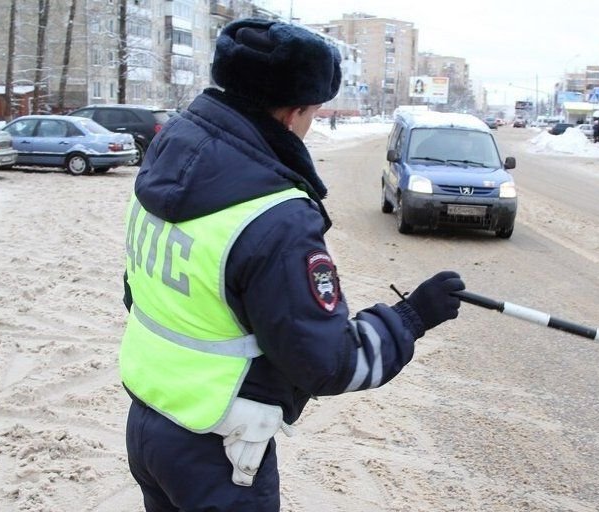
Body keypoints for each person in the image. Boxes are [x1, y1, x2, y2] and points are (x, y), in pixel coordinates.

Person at [119, 17, 465, 512]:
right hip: (218, 447)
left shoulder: (164, 169)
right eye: (312, 114)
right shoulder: (273, 215)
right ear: (291, 114)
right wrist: (411, 317)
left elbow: (140, 292)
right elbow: (326, 363)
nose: (311, 126)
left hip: (148, 423)